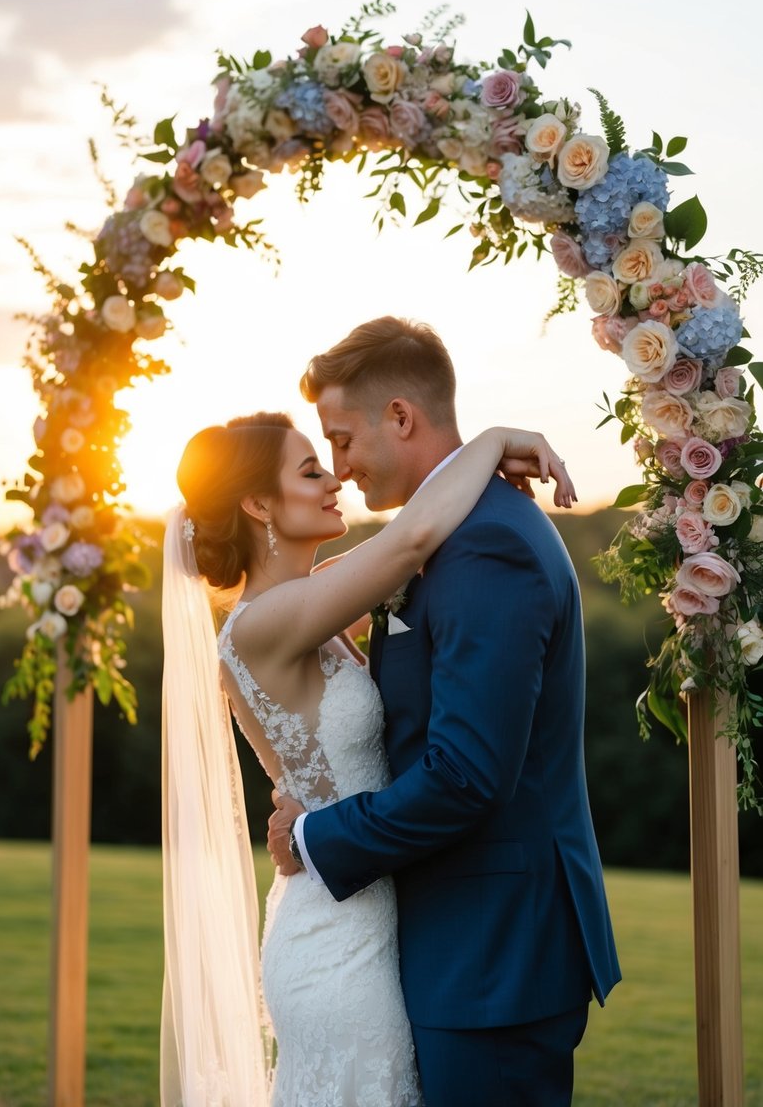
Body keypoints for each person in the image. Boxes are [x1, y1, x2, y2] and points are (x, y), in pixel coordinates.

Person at [160, 407, 576, 1106]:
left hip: (372, 907)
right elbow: (412, 537)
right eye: (310, 469)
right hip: (336, 940)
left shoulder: (310, 605)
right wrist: (495, 439)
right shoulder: (260, 624)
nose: (336, 477)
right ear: (259, 503)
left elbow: (414, 536)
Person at [267, 316, 622, 1107]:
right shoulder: (446, 537)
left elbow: (464, 776)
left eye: (342, 439)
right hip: (465, 940)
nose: (339, 468)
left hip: (494, 952)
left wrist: (314, 832)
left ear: (400, 416)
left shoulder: (483, 547)